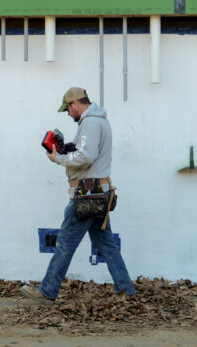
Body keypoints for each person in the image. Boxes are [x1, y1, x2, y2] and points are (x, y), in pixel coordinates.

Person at [20, 87, 136, 302]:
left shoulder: (91, 122)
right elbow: (86, 152)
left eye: (67, 109)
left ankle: (47, 291)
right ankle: (125, 290)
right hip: (100, 193)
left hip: (87, 195)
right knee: (106, 244)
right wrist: (69, 149)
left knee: (65, 243)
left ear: (75, 104)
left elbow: (86, 156)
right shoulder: (99, 120)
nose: (67, 113)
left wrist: (59, 158)